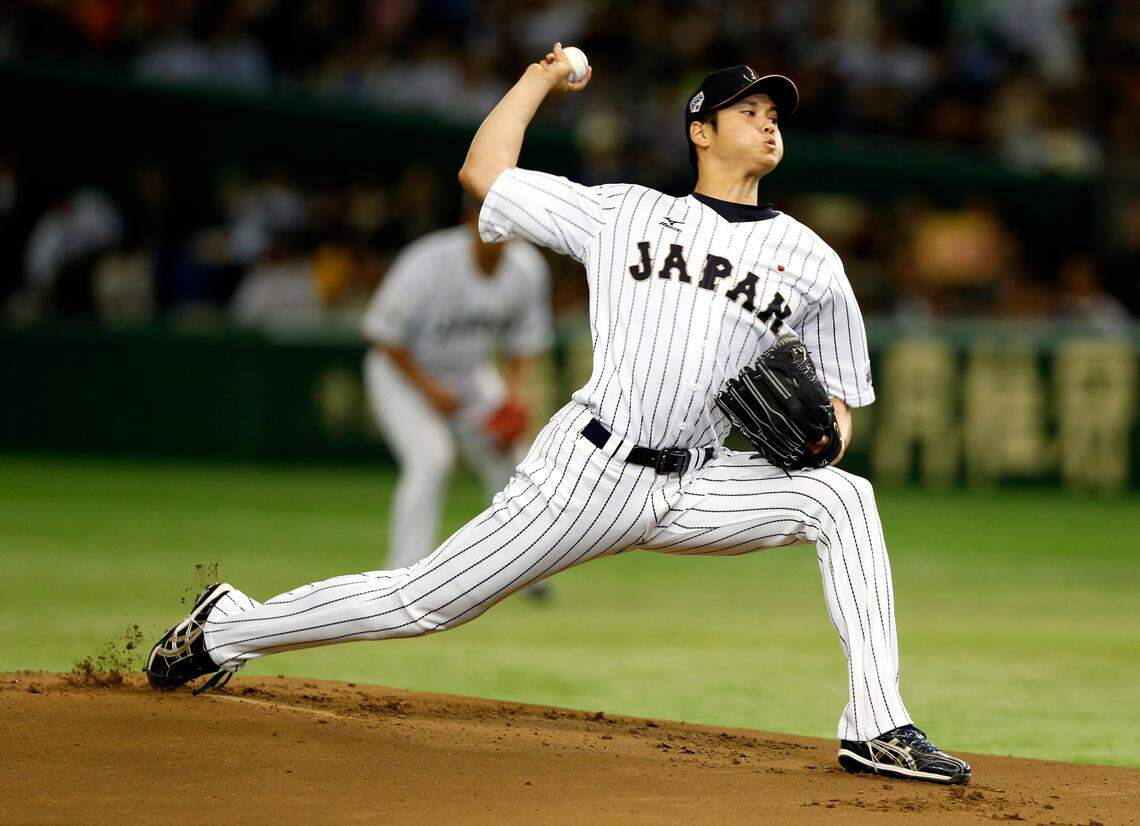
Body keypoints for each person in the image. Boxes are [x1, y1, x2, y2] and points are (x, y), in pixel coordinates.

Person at [146, 46, 971, 785]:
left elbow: (840, 400)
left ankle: (878, 727)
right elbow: (484, 171)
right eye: (747, 110)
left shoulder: (813, 261)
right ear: (700, 131)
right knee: (423, 602)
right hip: (589, 470)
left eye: (774, 114)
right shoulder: (625, 212)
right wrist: (541, 78)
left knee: (842, 498)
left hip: (697, 482)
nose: (767, 123)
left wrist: (826, 439)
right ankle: (228, 629)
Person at [361, 206, 553, 587]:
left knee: (515, 460)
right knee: (431, 458)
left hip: (470, 374)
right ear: (470, 221)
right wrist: (428, 388)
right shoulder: (427, 261)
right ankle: (402, 574)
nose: (499, 232)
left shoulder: (527, 269)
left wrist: (512, 398)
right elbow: (381, 332)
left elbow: (523, 343)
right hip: (402, 374)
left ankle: (527, 571)